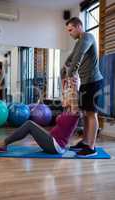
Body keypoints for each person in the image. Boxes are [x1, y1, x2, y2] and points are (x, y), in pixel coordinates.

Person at [61, 17, 103, 157]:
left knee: (92, 114)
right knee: (85, 113)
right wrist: (64, 68)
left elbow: (78, 57)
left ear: (79, 26)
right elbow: (71, 57)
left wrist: (70, 74)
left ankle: (91, 147)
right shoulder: (79, 41)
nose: (70, 33)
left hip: (94, 82)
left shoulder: (87, 37)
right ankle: (85, 141)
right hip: (85, 83)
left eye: (71, 30)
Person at [0, 112, 79, 154]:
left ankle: (3, 144)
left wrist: (76, 83)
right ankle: (3, 143)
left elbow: (75, 99)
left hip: (55, 146)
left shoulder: (75, 112)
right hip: (53, 140)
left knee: (29, 125)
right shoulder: (68, 110)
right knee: (30, 124)